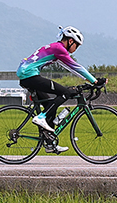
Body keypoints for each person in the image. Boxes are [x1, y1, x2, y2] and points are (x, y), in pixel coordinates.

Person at [16, 26, 105, 154]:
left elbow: (71, 68)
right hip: (29, 75)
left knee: (50, 106)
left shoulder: (56, 49)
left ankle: (50, 143)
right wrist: (95, 81)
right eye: (76, 46)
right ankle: (41, 117)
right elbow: (76, 67)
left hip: (27, 74)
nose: (75, 49)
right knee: (65, 93)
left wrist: (90, 80)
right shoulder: (59, 49)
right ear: (70, 41)